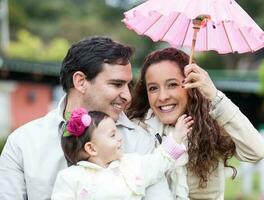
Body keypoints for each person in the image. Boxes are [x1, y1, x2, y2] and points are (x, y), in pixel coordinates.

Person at [0, 36, 171, 200]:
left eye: (128, 85)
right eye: (117, 84)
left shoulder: (140, 142)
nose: (127, 96)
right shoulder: (22, 143)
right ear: (80, 81)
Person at [127, 47, 264, 200]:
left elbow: (256, 152)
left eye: (172, 84)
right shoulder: (137, 129)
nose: (162, 96)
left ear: (191, 85)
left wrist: (215, 96)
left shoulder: (210, 125)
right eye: (153, 88)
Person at [52, 107, 193, 199]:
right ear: (92, 149)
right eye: (112, 135)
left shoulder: (132, 164)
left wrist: (176, 136)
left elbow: (158, 161)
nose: (120, 138)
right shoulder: (71, 177)